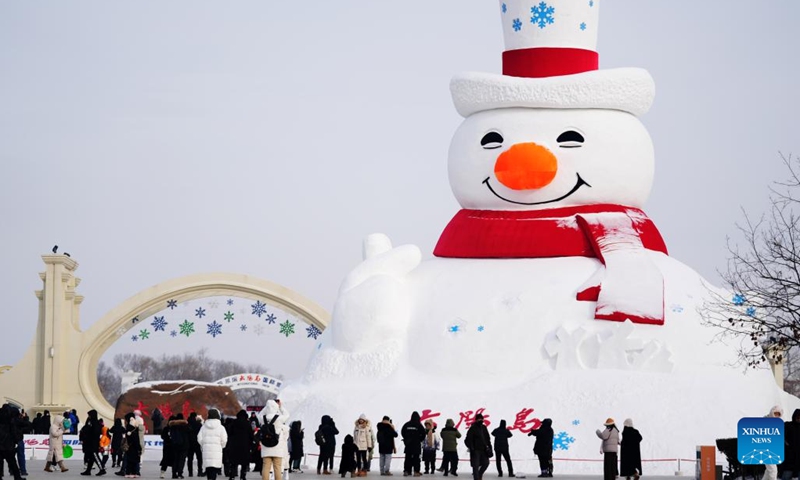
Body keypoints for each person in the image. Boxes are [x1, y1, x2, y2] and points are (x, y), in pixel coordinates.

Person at [260, 399, 290, 480]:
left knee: (266, 466)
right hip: (277, 446)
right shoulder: (279, 418)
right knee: (277, 467)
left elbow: (260, 414)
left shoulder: (263, 418)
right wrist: (280, 407)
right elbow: (287, 415)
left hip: (266, 446)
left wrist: (267, 407)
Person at [198, 409, 228, 480]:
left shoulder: (204, 427)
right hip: (216, 451)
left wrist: (203, 445)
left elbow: (199, 438)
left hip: (207, 451)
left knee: (208, 468)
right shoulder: (221, 427)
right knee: (214, 469)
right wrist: (221, 446)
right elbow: (224, 439)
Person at [464, 414, 491, 480]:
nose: (480, 420)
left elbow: (487, 438)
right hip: (476, 450)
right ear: (476, 420)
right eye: (479, 419)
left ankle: (480, 474)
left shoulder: (484, 427)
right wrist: (472, 447)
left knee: (486, 463)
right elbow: (467, 440)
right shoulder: (472, 428)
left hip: (484, 450)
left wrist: (489, 447)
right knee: (475, 466)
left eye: (481, 419)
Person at [228, 411, 254, 480]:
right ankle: (242, 476)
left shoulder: (233, 422)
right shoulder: (247, 423)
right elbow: (251, 435)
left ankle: (232, 476)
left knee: (233, 462)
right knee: (244, 463)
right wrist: (250, 444)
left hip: (234, 446)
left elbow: (229, 433)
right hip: (245, 446)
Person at [0, 405, 23, 480]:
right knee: (12, 462)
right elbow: (14, 432)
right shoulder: (10, 420)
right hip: (8, 444)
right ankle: (17, 477)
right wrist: (16, 440)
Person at [80, 409, 104, 476]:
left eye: (89, 415)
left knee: (95, 456)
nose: (89, 416)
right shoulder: (90, 422)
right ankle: (88, 471)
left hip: (93, 443)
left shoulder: (95, 423)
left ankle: (102, 469)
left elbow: (95, 433)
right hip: (90, 443)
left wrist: (88, 436)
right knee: (91, 458)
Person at [401, 412, 425, 477]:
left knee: (408, 458)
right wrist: (419, 439)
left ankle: (407, 471)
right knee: (416, 458)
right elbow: (423, 434)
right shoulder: (419, 425)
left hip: (408, 444)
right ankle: (416, 471)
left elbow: (402, 432)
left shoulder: (407, 424)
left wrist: (406, 438)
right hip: (416, 445)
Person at [762, 406, 783, 480]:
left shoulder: (777, 423)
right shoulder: (764, 421)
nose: (776, 416)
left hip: (772, 450)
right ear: (772, 412)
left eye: (778, 414)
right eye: (775, 413)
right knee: (773, 470)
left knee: (769, 471)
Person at [170, 414, 191, 479]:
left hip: (174, 445)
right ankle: (180, 473)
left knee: (175, 459)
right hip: (184, 445)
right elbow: (190, 432)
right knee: (182, 460)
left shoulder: (172, 426)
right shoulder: (185, 426)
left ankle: (174, 473)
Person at [124, 414, 142, 479]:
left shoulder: (128, 428)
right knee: (134, 461)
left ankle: (129, 472)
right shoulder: (133, 429)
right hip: (134, 447)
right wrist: (139, 448)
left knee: (129, 460)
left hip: (129, 447)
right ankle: (133, 472)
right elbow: (136, 439)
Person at [187, 412, 204, 477]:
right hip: (197, 443)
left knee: (190, 459)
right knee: (199, 458)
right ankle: (200, 471)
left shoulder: (187, 424)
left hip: (189, 444)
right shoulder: (198, 424)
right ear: (195, 416)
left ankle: (190, 472)